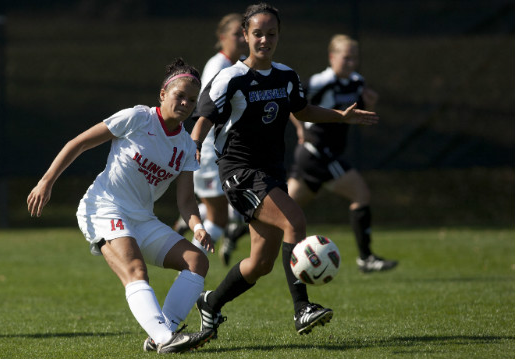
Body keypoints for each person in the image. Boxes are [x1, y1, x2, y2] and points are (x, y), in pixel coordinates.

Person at [190, 3, 379, 339]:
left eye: (271, 33)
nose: (265, 39)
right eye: (257, 33)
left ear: (279, 35)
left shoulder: (286, 76)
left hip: (271, 171)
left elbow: (302, 110)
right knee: (295, 221)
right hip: (240, 171)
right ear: (245, 35)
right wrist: (191, 148)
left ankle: (211, 303)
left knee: (260, 263)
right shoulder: (230, 77)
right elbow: (204, 117)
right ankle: (302, 309)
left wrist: (340, 116)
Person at [26, 58, 215, 354]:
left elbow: (186, 200)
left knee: (197, 261)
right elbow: (79, 142)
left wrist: (199, 227)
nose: (186, 103)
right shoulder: (138, 118)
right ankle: (167, 340)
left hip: (142, 218)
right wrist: (46, 181)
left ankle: (163, 333)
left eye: (192, 100)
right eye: (180, 95)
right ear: (163, 94)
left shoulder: (187, 146)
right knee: (135, 269)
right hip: (104, 208)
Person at [287, 34, 398, 273]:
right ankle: (366, 258)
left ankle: (238, 230)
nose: (351, 63)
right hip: (317, 152)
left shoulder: (357, 82)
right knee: (361, 194)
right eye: (346, 58)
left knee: (285, 210)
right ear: (332, 57)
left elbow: (361, 119)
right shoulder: (320, 82)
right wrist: (300, 130)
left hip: (323, 154)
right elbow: (290, 104)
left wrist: (371, 105)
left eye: (354, 58)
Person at [188, 12, 249, 266]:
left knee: (222, 216)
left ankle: (187, 239)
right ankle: (189, 264)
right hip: (212, 154)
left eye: (244, 34)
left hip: (229, 152)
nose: (242, 39)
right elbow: (206, 112)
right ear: (222, 38)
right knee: (218, 220)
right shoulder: (218, 66)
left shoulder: (243, 64)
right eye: (237, 34)